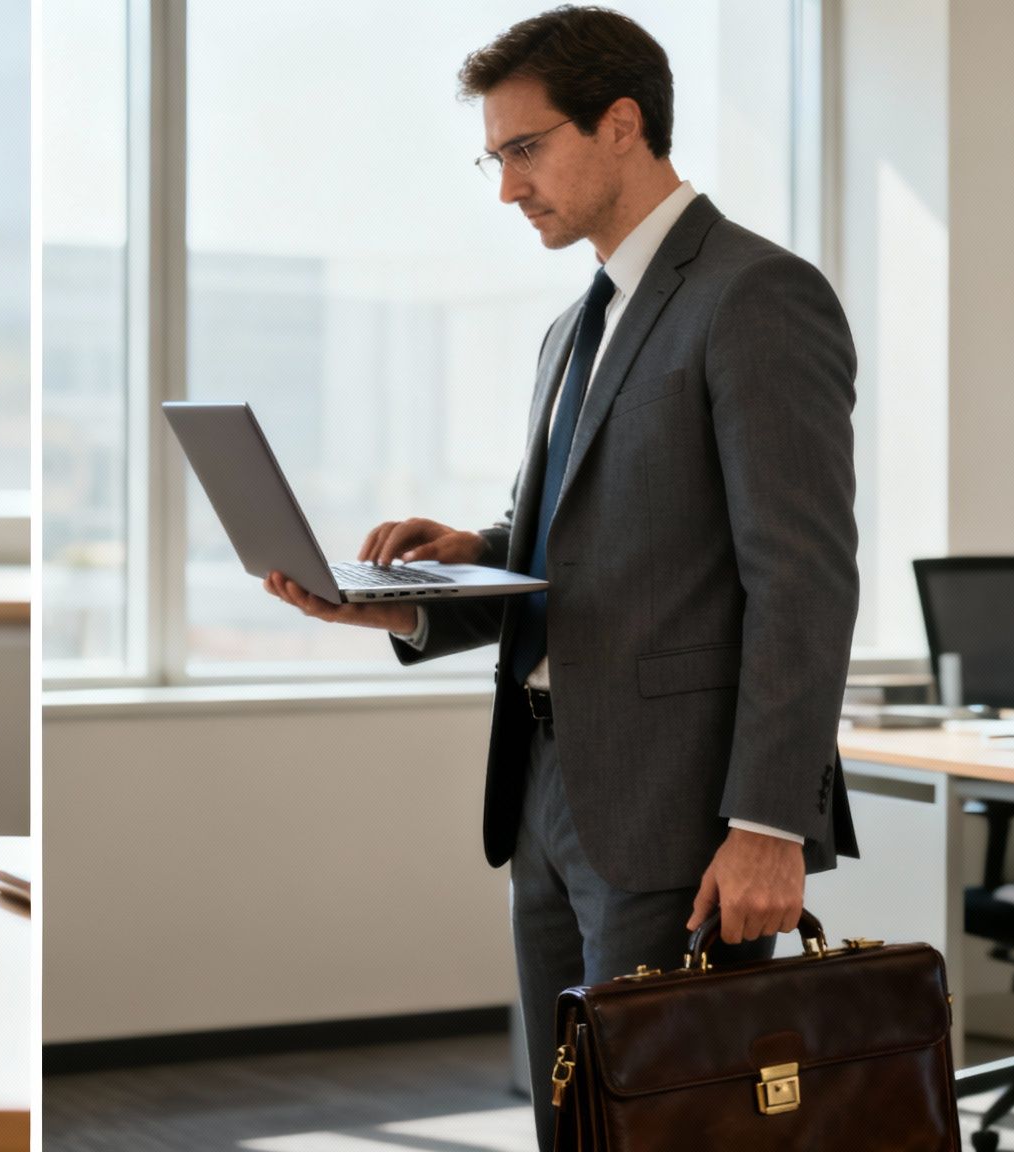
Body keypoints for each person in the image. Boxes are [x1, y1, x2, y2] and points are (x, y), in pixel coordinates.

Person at [262, 7, 859, 1145]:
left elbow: (803, 578)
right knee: (570, 1119)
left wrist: (770, 822)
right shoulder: (572, 325)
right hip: (545, 785)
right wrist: (438, 576)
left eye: (523, 150)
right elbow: (584, 548)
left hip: (680, 807)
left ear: (621, 124)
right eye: (493, 159)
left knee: (670, 1129)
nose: (505, 189)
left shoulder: (755, 298)